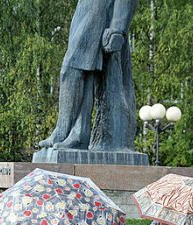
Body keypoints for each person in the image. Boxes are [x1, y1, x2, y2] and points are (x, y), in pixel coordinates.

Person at [38, 0, 138, 151]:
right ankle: (77, 135)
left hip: (100, 14)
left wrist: (118, 26)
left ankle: (64, 131)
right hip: (84, 11)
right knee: (87, 73)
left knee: (71, 69)